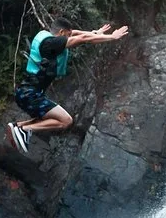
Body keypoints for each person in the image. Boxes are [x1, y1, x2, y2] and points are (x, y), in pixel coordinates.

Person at [7, 17, 129, 153]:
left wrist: (94, 32)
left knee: (46, 119)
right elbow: (82, 38)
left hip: (25, 93)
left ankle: (18, 127)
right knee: (65, 121)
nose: (69, 38)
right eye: (67, 35)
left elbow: (76, 33)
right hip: (30, 95)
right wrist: (112, 37)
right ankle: (24, 129)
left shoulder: (46, 37)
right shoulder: (51, 43)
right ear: (61, 33)